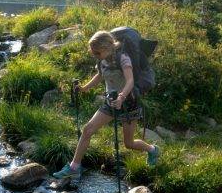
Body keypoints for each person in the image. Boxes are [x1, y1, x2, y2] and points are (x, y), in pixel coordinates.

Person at [53, 30, 159, 180]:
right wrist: (84, 88)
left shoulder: (124, 59)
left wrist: (122, 97)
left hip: (129, 104)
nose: (95, 55)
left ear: (108, 48)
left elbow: (130, 81)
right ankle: (74, 167)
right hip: (110, 103)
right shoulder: (102, 60)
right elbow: (99, 76)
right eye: (93, 53)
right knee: (87, 130)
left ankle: (152, 150)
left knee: (128, 144)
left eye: (97, 52)